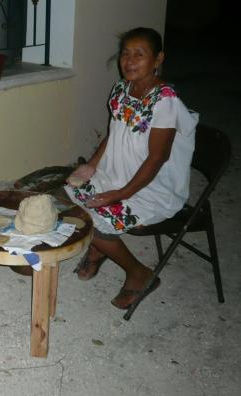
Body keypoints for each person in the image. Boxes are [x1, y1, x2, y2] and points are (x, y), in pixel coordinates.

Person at [65, 27, 198, 310]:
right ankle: (100, 252)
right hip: (116, 173)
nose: (130, 60)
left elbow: (157, 158)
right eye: (126, 53)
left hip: (152, 186)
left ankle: (139, 273)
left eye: (140, 54)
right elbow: (114, 134)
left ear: (158, 59)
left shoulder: (165, 101)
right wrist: (91, 166)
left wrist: (119, 194)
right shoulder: (121, 89)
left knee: (97, 222)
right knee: (76, 204)